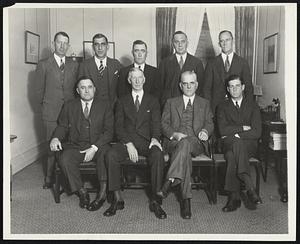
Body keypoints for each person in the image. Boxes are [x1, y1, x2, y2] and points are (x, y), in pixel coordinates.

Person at [104, 67, 166, 219]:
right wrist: (128, 143)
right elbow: (118, 127)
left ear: (144, 80)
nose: (137, 81)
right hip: (128, 142)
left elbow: (156, 124)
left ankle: (156, 200)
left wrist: (155, 138)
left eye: (140, 78)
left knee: (158, 155)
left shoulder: (153, 100)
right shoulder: (121, 101)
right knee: (111, 154)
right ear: (129, 80)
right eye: (134, 78)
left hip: (147, 142)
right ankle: (117, 198)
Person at [49, 77, 113, 210]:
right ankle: (81, 191)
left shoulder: (105, 105)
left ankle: (102, 193)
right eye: (83, 88)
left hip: (98, 146)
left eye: (90, 87)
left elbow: (109, 131)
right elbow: (63, 126)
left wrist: (94, 147)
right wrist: (56, 138)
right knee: (65, 159)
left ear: (94, 89)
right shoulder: (69, 105)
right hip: (76, 146)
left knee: (105, 156)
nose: (87, 91)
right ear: (78, 91)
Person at [158, 71, 214, 219]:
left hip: (196, 142)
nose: (188, 86)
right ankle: (186, 200)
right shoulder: (171, 102)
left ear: (196, 85)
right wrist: (174, 134)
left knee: (186, 145)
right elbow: (163, 124)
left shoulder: (205, 102)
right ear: (180, 85)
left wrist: (205, 131)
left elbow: (210, 122)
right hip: (174, 142)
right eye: (185, 83)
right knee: (184, 150)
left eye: (191, 83)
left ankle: (169, 181)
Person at [35, 31, 79, 189]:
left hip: (69, 114)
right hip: (51, 114)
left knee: (68, 146)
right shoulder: (43, 64)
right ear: (54, 44)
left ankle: (66, 178)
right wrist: (47, 108)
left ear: (68, 45)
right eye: (59, 42)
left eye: (65, 43)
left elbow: (76, 90)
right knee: (51, 147)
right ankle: (49, 178)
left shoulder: (74, 65)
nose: (62, 45)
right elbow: (38, 92)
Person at [217, 74, 262, 212]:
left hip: (248, 145)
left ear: (242, 87)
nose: (234, 89)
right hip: (228, 143)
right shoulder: (222, 106)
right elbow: (222, 130)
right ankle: (249, 187)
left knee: (232, 156)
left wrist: (235, 134)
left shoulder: (253, 106)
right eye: (231, 86)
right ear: (228, 89)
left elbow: (257, 132)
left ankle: (233, 198)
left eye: (237, 86)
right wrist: (242, 128)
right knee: (235, 146)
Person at [202, 30, 254, 115]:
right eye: (222, 41)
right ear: (219, 44)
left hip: (238, 110)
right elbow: (206, 90)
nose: (224, 43)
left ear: (233, 41)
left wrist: (248, 110)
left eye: (227, 40)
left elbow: (248, 89)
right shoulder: (212, 63)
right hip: (216, 110)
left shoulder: (242, 62)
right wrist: (208, 111)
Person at [159, 31, 204, 107]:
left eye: (183, 41)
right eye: (177, 42)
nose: (180, 45)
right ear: (173, 44)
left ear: (187, 43)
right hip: (170, 105)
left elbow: (200, 87)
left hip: (190, 105)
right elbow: (160, 87)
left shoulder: (197, 62)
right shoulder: (164, 63)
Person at [78, 33, 122, 106]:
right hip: (92, 109)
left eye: (103, 44)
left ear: (107, 46)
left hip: (113, 109)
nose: (100, 47)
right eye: (96, 44)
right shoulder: (84, 65)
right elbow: (79, 89)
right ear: (93, 47)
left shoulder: (116, 64)